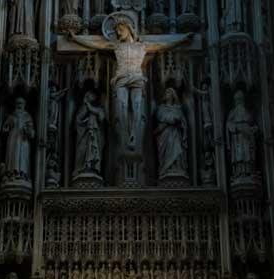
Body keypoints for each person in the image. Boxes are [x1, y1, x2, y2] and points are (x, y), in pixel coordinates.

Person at [67, 18, 193, 155]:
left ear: (128, 28)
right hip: (121, 78)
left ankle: (134, 135)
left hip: (137, 78)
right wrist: (75, 38)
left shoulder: (141, 46)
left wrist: (182, 39)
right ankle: (124, 139)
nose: (118, 33)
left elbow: (162, 44)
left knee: (137, 107)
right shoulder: (116, 46)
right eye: (116, 31)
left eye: (120, 30)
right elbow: (94, 44)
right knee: (122, 108)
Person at [155, 87, 189, 180]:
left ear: (174, 96)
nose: (168, 94)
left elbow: (183, 121)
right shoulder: (161, 108)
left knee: (177, 150)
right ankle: (166, 169)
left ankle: (178, 168)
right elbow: (160, 117)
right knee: (167, 151)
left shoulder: (178, 108)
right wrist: (171, 120)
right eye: (166, 92)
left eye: (170, 92)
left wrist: (179, 122)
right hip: (165, 133)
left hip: (175, 133)